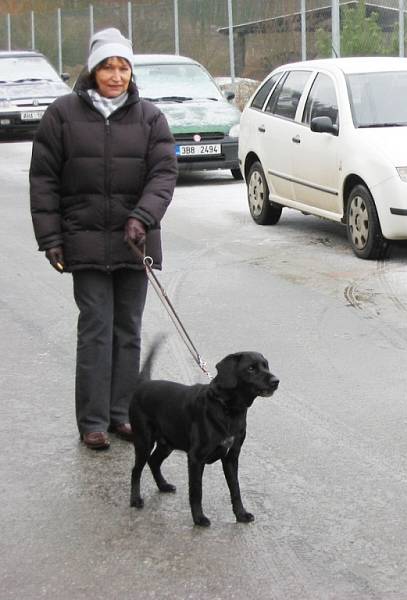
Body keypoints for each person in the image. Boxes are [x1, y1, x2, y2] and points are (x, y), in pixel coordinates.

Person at [29, 28, 177, 450]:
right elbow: (43, 180)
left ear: (132, 72)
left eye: (123, 67)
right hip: (85, 242)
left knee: (127, 329)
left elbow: (164, 174)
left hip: (135, 242)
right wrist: (51, 237)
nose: (116, 75)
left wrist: (143, 217)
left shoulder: (150, 117)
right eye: (108, 67)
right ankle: (93, 420)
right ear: (92, 70)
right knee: (96, 329)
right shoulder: (61, 115)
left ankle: (123, 414)